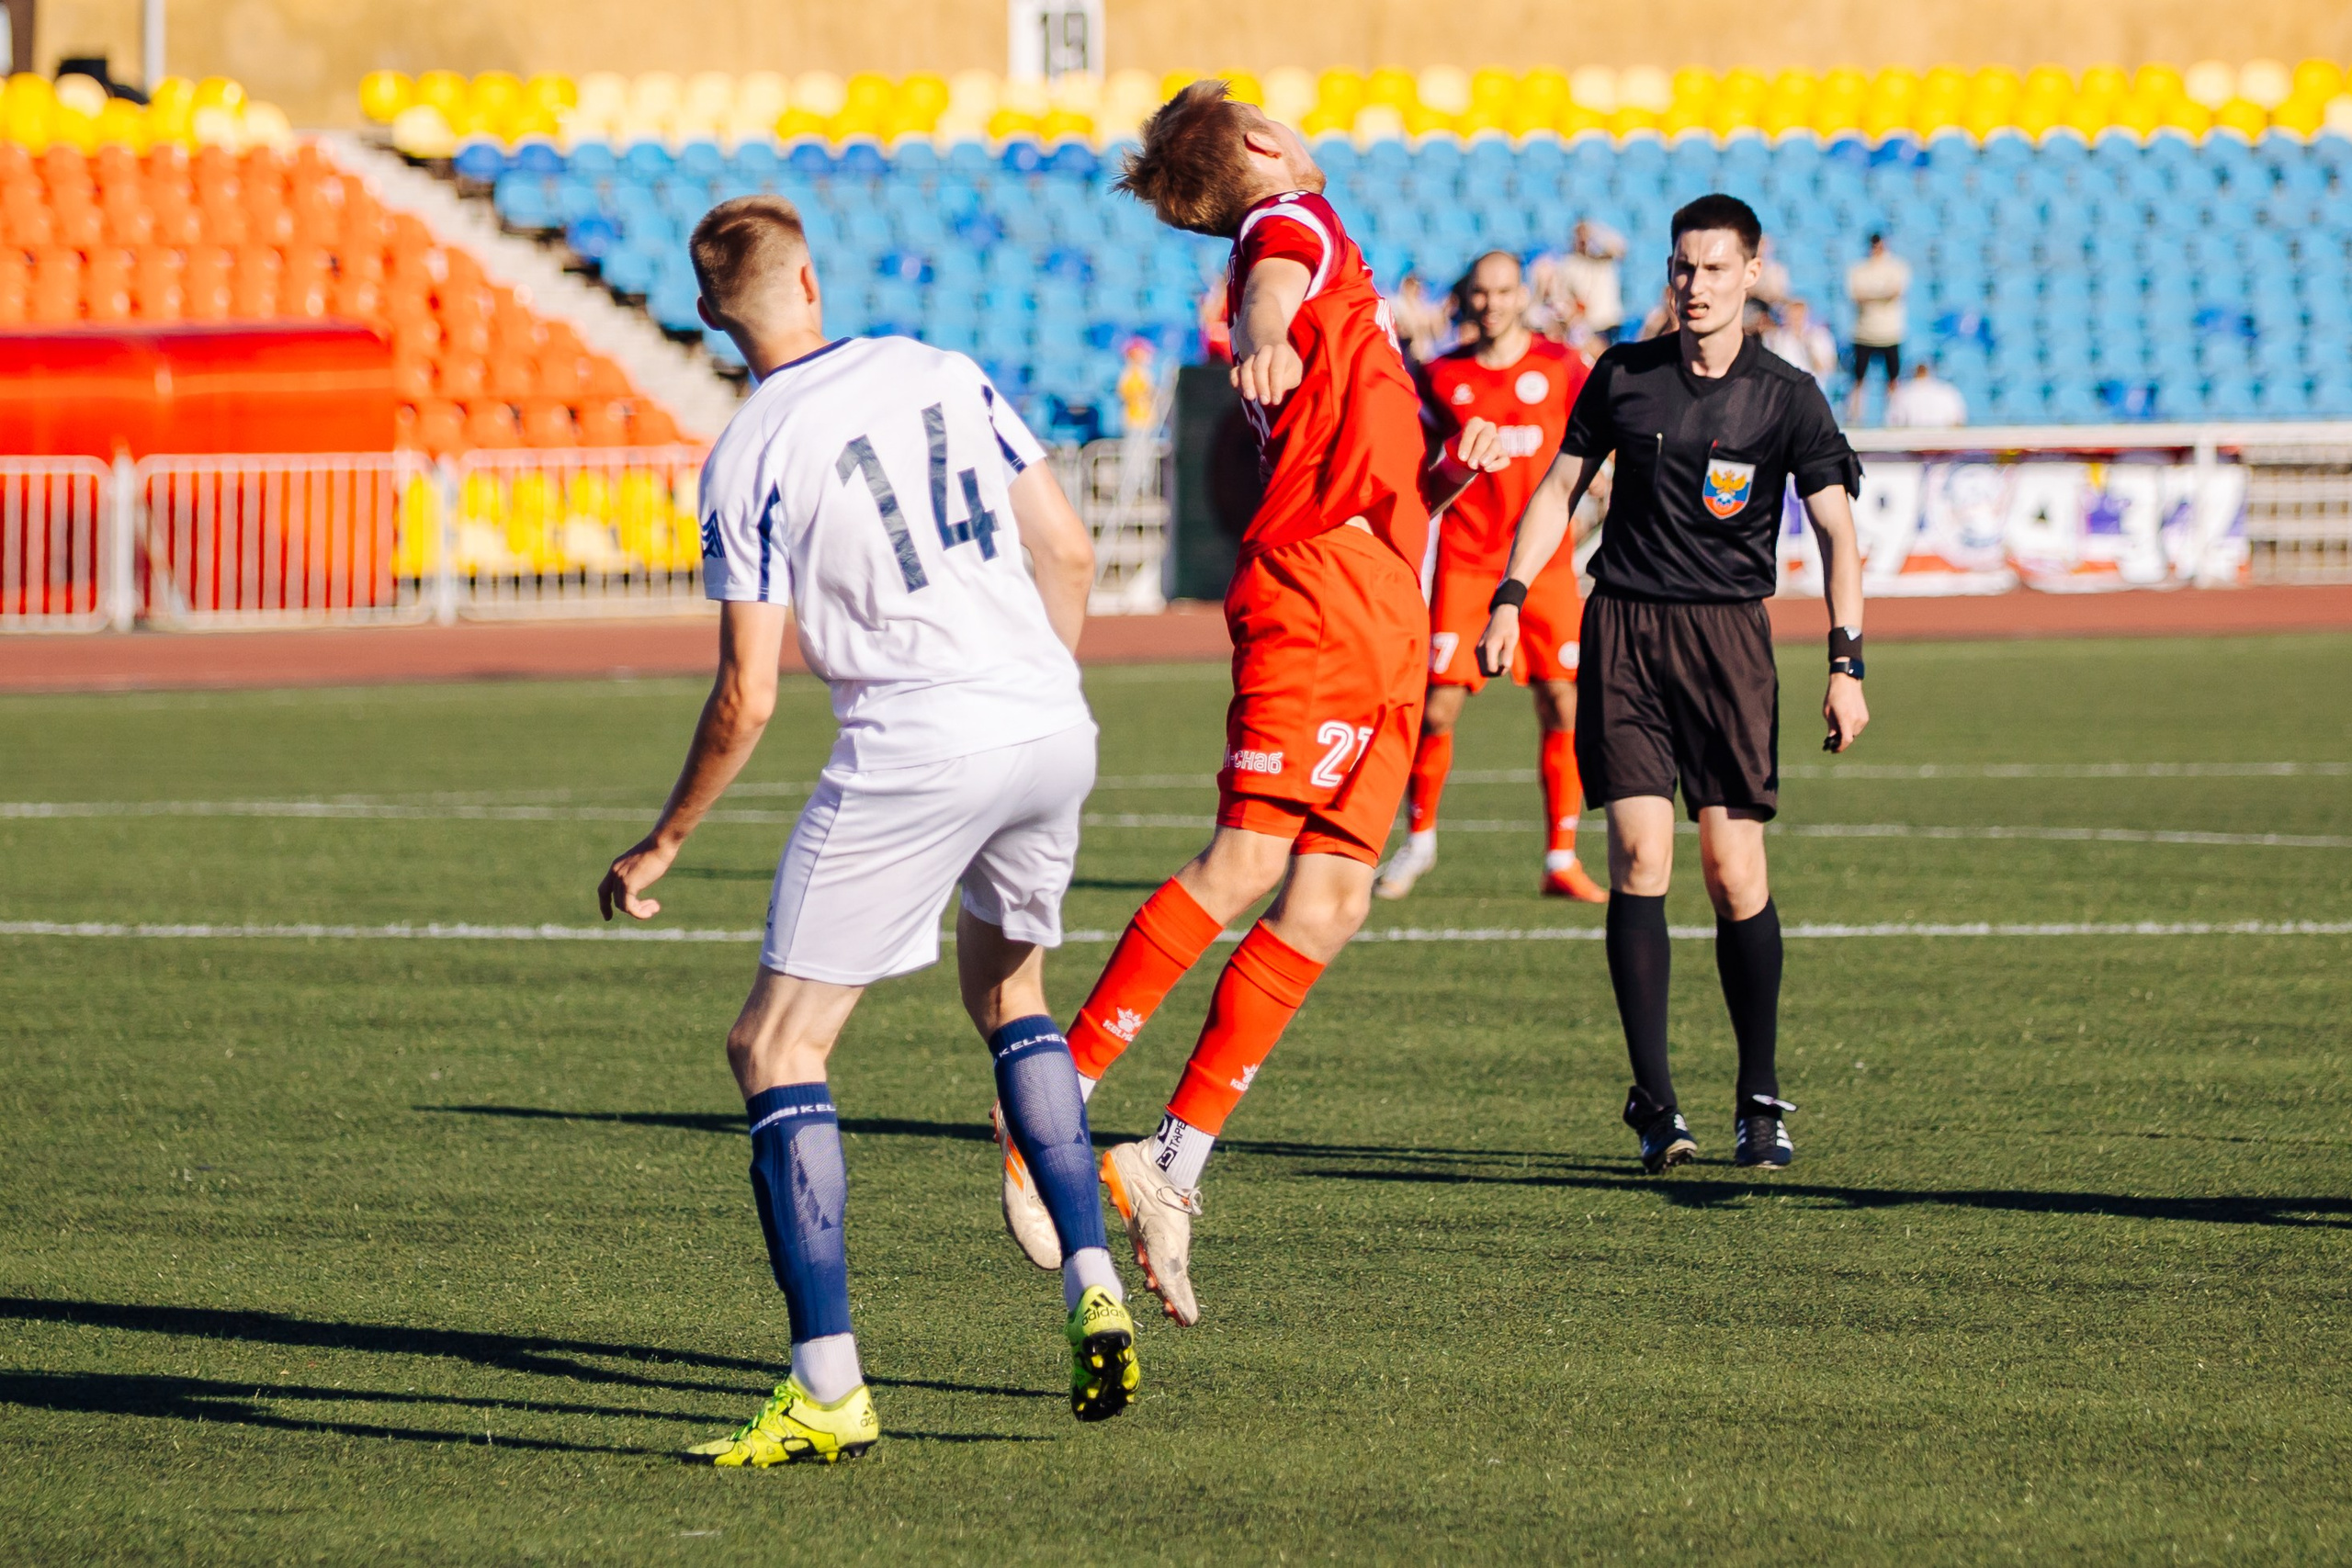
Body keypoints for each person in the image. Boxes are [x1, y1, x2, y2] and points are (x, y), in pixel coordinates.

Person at [597, 195, 1136, 1465]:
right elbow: (1065, 549)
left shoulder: (744, 452)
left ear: (712, 318)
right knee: (1011, 992)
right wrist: (1032, 690)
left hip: (919, 733)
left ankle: (829, 1384)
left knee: (775, 1042)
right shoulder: (941, 366)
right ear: (812, 281)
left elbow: (749, 694)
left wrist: (664, 838)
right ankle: (1092, 1282)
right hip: (1049, 718)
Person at [1027, 80, 1500, 1326]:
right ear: (1259, 147)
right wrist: (1264, 325)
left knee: (1334, 894)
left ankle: (1169, 1161)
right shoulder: (1293, 222)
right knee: (1244, 861)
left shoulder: (1328, 265)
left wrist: (1445, 469)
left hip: (1387, 598)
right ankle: (1046, 1105)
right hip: (1321, 593)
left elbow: (1363, 427)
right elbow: (1272, 271)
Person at [1477, 194, 1871, 1178]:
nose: (1693, 286)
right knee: (1639, 857)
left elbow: (1835, 534)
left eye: (1713, 268)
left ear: (1751, 271)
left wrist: (1845, 661)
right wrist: (1511, 595)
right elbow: (1559, 489)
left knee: (1734, 873)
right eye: (1681, 268)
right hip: (1625, 631)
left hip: (1730, 644)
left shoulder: (1787, 395)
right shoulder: (1622, 376)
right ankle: (1654, 1102)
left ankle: (1759, 1097)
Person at [1375, 250, 1605, 904]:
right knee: (1439, 705)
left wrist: (1602, 491)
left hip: (1545, 563)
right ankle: (1419, 839)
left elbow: (1602, 439)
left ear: (1522, 296)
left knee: (1563, 701)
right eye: (1481, 292)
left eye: (1505, 291)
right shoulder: (1439, 375)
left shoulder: (1561, 366)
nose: (1493, 303)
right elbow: (1411, 459)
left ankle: (1561, 855)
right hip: (1469, 561)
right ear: (1466, 298)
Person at [1846, 232, 1911, 421]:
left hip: (1890, 333)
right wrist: (1881, 295)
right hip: (1864, 333)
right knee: (1858, 379)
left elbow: (1896, 293)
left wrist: (1872, 296)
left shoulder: (1897, 267)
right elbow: (1857, 296)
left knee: (1892, 379)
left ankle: (1893, 418)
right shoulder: (1858, 269)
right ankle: (1855, 418)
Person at [1559, 219, 1628, 344]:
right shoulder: (1570, 263)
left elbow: (1621, 247)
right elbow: (1565, 295)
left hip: (1609, 322)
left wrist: (1597, 231)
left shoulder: (1605, 259)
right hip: (1588, 325)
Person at [1764, 298, 1838, 395]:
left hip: (1811, 391)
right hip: (1785, 391)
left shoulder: (1819, 336)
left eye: (1799, 317)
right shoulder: (1777, 338)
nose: (1796, 321)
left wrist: (1808, 345)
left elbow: (1826, 368)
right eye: (1792, 317)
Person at [1885, 357, 1968, 428]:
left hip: (1929, 443)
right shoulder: (1948, 391)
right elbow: (1959, 422)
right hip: (1929, 442)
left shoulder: (1901, 393)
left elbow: (1893, 424)